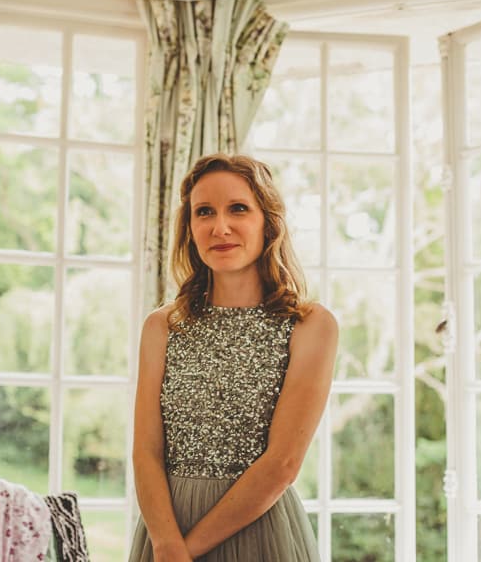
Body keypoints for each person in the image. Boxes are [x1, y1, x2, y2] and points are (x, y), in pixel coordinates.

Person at [129, 153, 338, 561]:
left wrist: (184, 552)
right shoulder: (161, 326)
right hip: (166, 530)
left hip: (261, 532)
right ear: (189, 228)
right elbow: (146, 452)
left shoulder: (311, 325)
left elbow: (283, 463)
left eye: (238, 209)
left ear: (268, 221)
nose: (220, 227)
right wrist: (167, 543)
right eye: (204, 212)